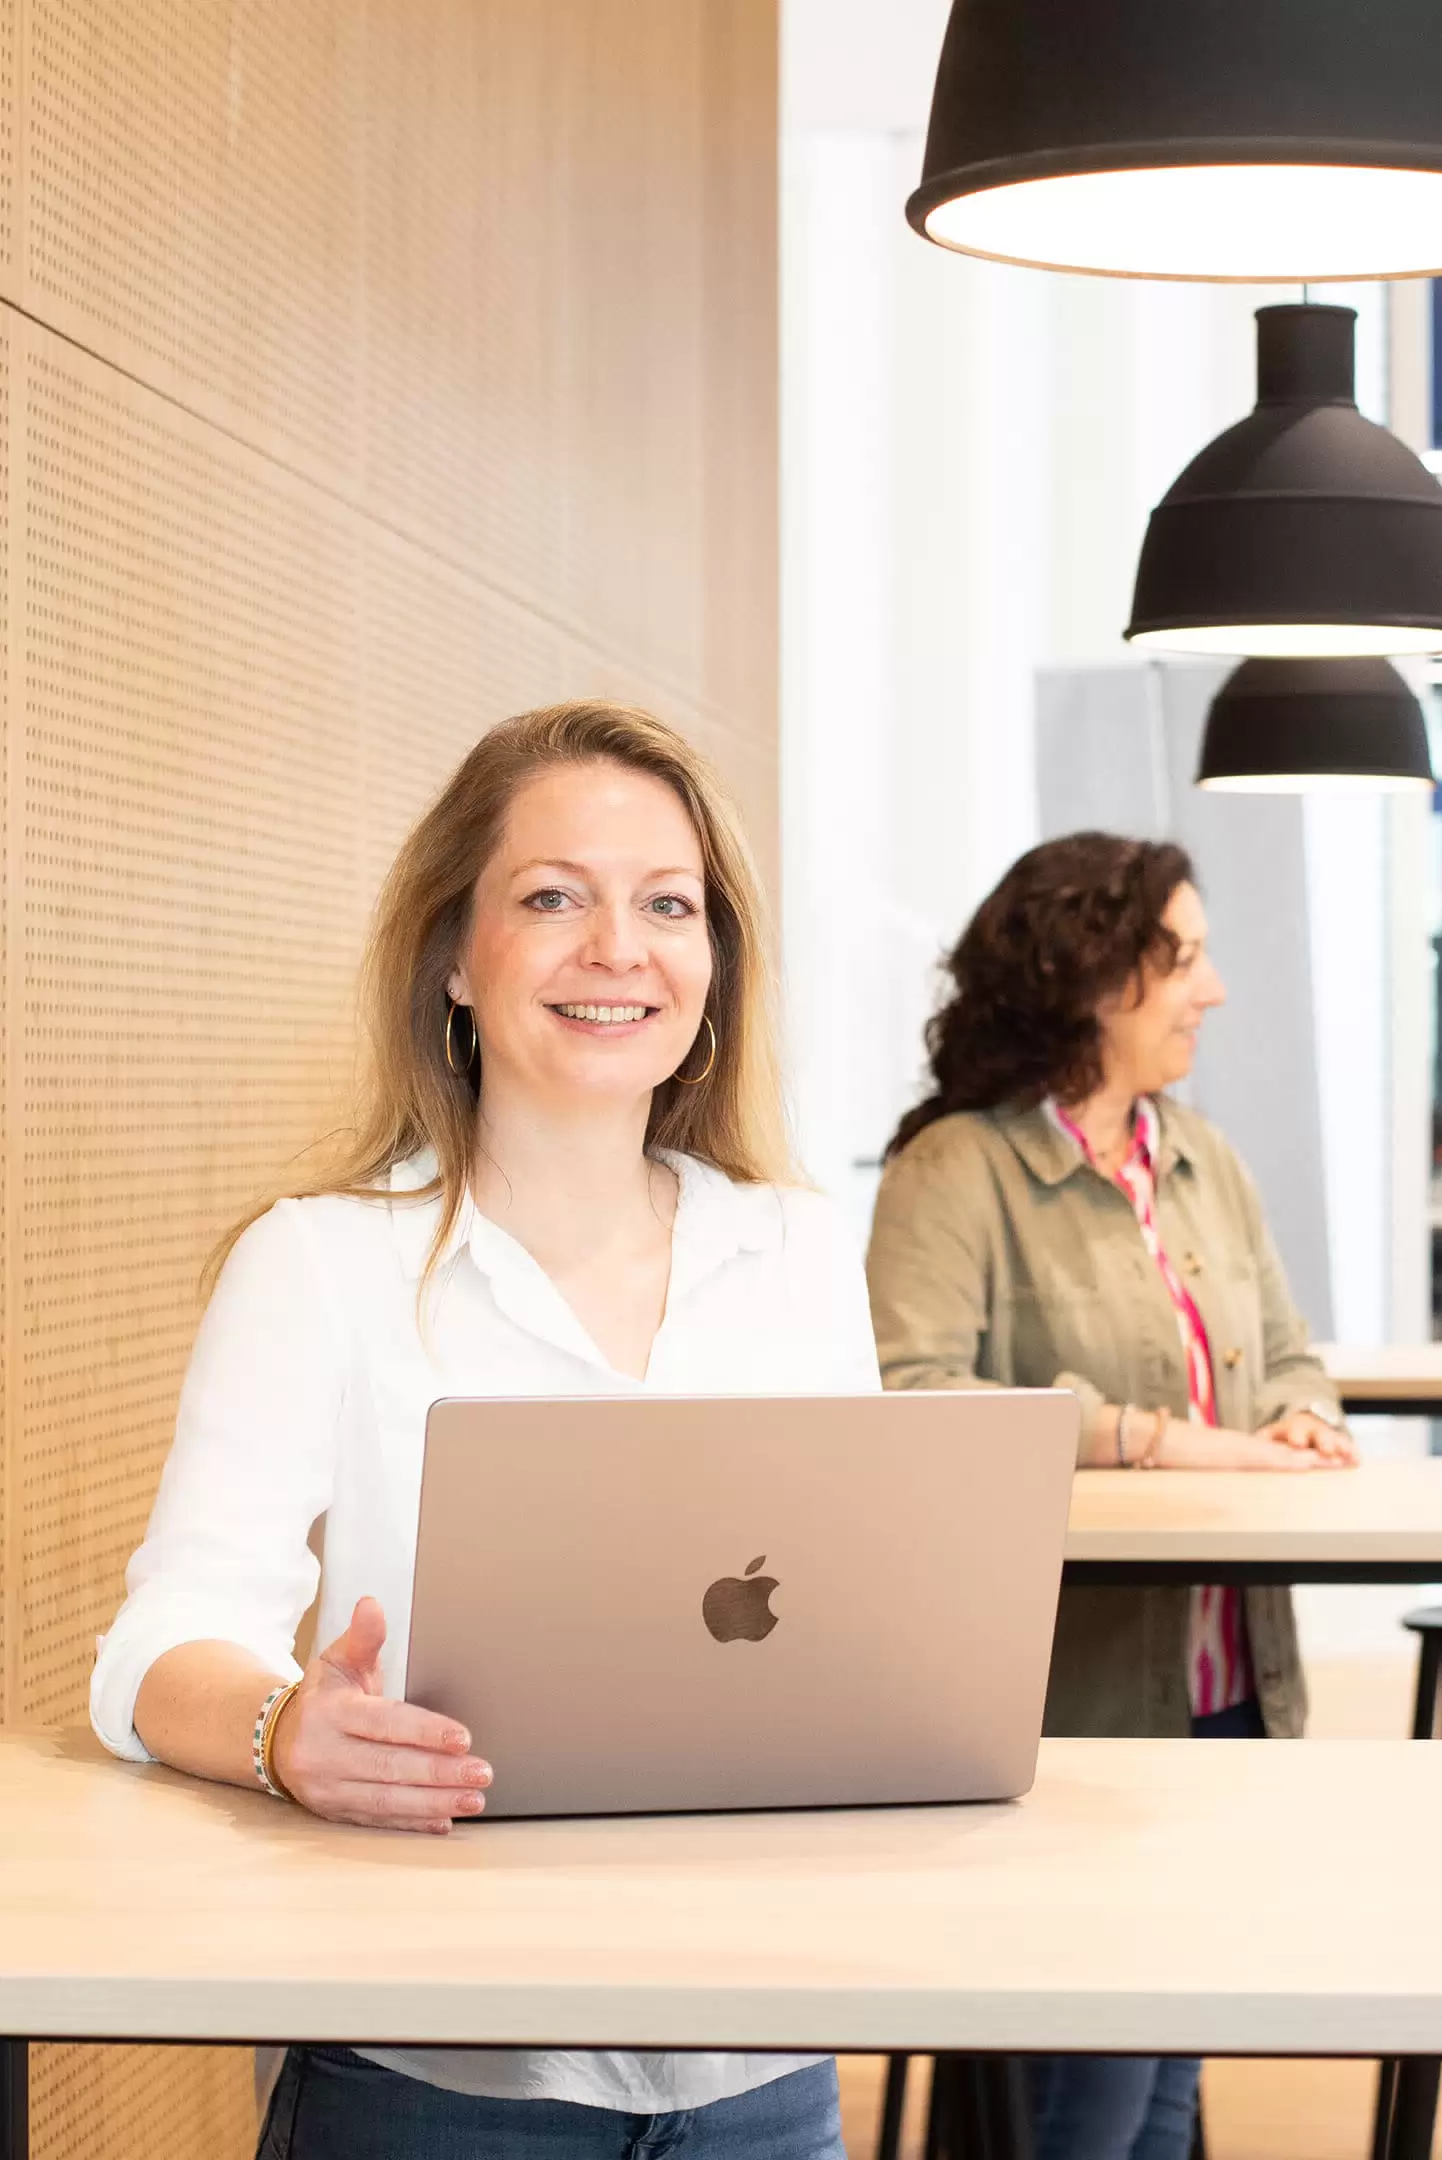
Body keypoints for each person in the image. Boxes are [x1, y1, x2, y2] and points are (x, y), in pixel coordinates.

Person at [88, 702, 870, 2156]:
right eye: (553, 897)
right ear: (456, 953)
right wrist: (281, 1732)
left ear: (716, 964)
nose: (617, 948)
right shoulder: (319, 1261)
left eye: (668, 905)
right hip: (437, 2074)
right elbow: (154, 1649)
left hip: (763, 2066)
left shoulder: (801, 1252)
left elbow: (848, 1634)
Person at [866, 830, 1351, 2160]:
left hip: (1229, 1673)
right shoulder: (953, 1172)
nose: (1214, 989)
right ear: (1091, 976)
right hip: (1066, 1688)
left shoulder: (1201, 1155)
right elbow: (910, 1398)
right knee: (1110, 2065)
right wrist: (1150, 1439)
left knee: (1176, 2032)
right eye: (1182, 958)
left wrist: (1303, 1415)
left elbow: (1291, 1349)